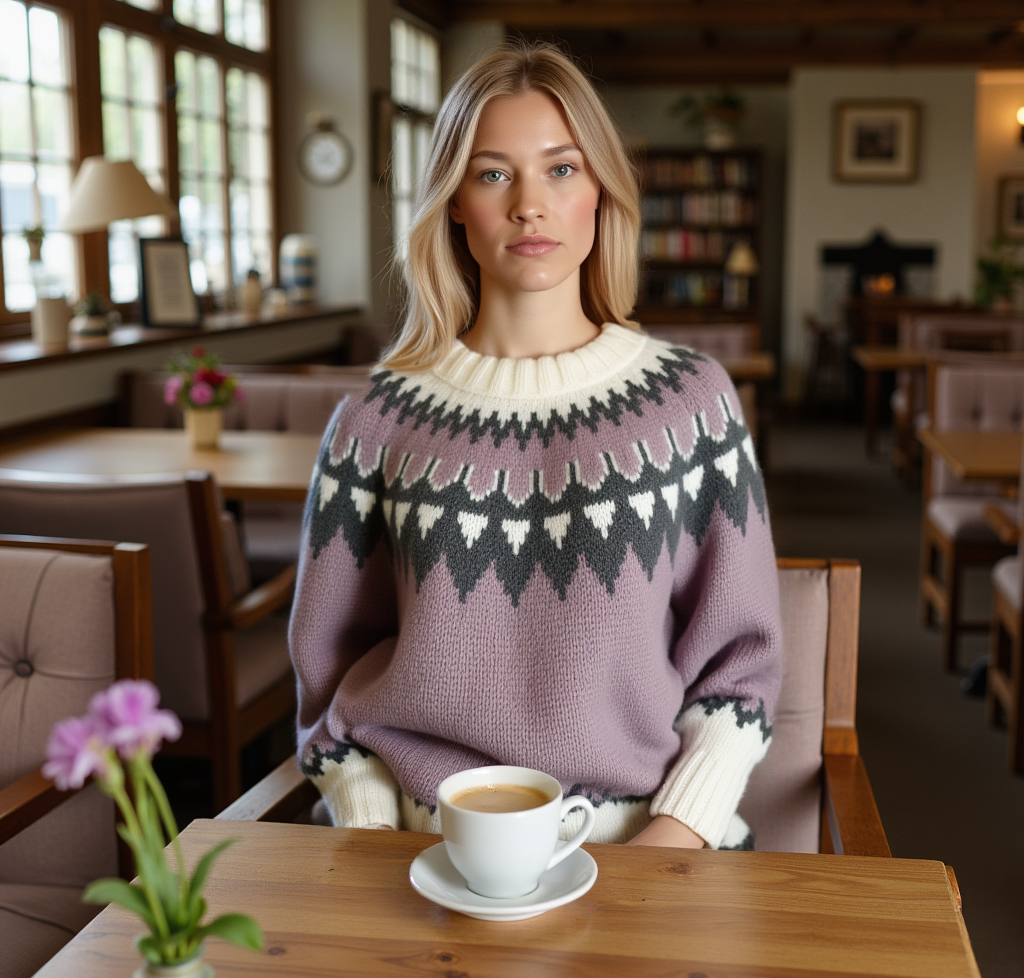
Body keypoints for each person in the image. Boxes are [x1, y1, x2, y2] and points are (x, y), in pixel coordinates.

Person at [289, 42, 781, 852]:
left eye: (561, 169)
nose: (529, 205)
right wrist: (371, 829)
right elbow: (328, 670)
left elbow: (742, 665)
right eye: (492, 174)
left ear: (600, 191)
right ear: (453, 203)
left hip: (643, 849)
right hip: (414, 851)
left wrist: (675, 839)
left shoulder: (692, 405)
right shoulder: (372, 423)